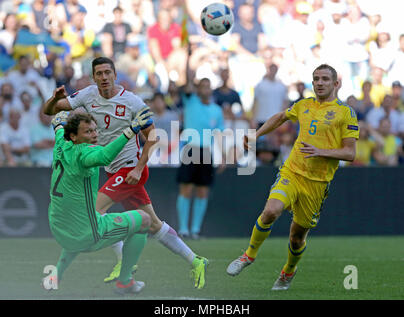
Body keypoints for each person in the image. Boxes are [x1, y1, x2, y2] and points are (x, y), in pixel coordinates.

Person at [43, 56, 208, 289]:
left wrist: (139, 168)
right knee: (152, 224)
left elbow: (152, 136)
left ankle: (117, 266)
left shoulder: (132, 102)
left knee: (93, 213)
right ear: (93, 77)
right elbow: (51, 111)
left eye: (107, 73)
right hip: (112, 170)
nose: (103, 78)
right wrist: (54, 99)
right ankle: (196, 260)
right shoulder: (87, 96)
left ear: (114, 74)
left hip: (130, 169)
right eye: (99, 73)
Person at [226, 64, 359, 290]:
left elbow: (350, 153)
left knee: (297, 237)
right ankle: (248, 255)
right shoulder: (304, 104)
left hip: (317, 183)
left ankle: (288, 271)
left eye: (325, 79)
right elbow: (279, 118)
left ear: (336, 84)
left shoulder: (346, 113)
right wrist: (255, 135)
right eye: (316, 78)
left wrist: (322, 152)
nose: (319, 83)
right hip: (292, 172)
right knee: (270, 211)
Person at [47, 110, 152, 294]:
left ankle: (56, 276)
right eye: (88, 132)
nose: (94, 135)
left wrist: (57, 123)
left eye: (95, 130)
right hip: (86, 234)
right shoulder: (85, 154)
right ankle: (125, 282)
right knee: (144, 220)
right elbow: (105, 157)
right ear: (74, 136)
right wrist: (131, 130)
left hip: (58, 228)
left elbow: (58, 128)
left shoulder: (60, 143)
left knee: (83, 220)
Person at [176, 45, 225, 239]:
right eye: (201, 86)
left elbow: (219, 135)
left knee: (203, 191)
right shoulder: (191, 101)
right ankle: (183, 229)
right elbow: (187, 78)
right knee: (186, 188)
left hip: (206, 151)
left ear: (210, 89)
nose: (204, 89)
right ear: (197, 89)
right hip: (190, 149)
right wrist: (189, 58)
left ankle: (195, 229)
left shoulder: (217, 110)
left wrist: (222, 157)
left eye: (207, 86)